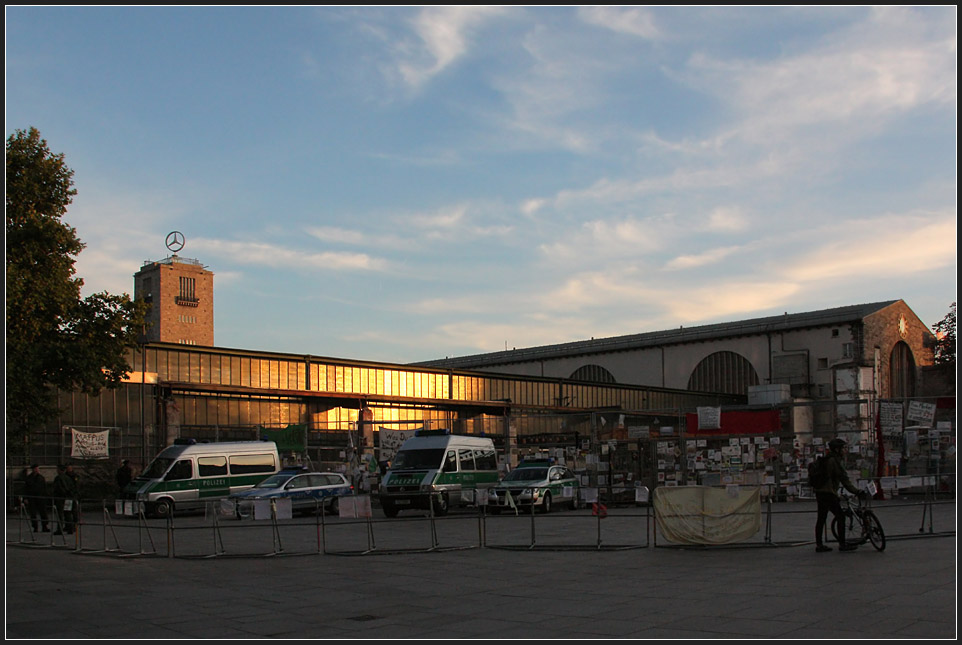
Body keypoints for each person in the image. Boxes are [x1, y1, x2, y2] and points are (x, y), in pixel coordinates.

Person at [814, 438, 865, 552]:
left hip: (820, 492)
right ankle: (842, 544)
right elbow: (844, 480)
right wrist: (857, 491)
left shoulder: (827, 459)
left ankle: (819, 544)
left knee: (821, 518)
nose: (845, 450)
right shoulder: (834, 461)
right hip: (828, 493)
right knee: (840, 516)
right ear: (837, 449)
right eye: (843, 448)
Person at [52, 464, 80, 535]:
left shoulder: (59, 478)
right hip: (69, 498)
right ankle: (70, 528)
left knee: (60, 514)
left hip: (61, 498)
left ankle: (60, 529)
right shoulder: (68, 478)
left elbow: (58, 488)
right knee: (68, 513)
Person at [24, 464, 50, 533]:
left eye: (37, 469)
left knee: (43, 512)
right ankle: (35, 527)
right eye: (35, 469)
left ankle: (44, 526)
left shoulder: (41, 478)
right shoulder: (29, 478)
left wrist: (46, 497)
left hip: (40, 497)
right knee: (33, 513)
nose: (37, 470)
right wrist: (26, 498)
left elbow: (44, 488)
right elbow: (26, 489)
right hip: (32, 498)